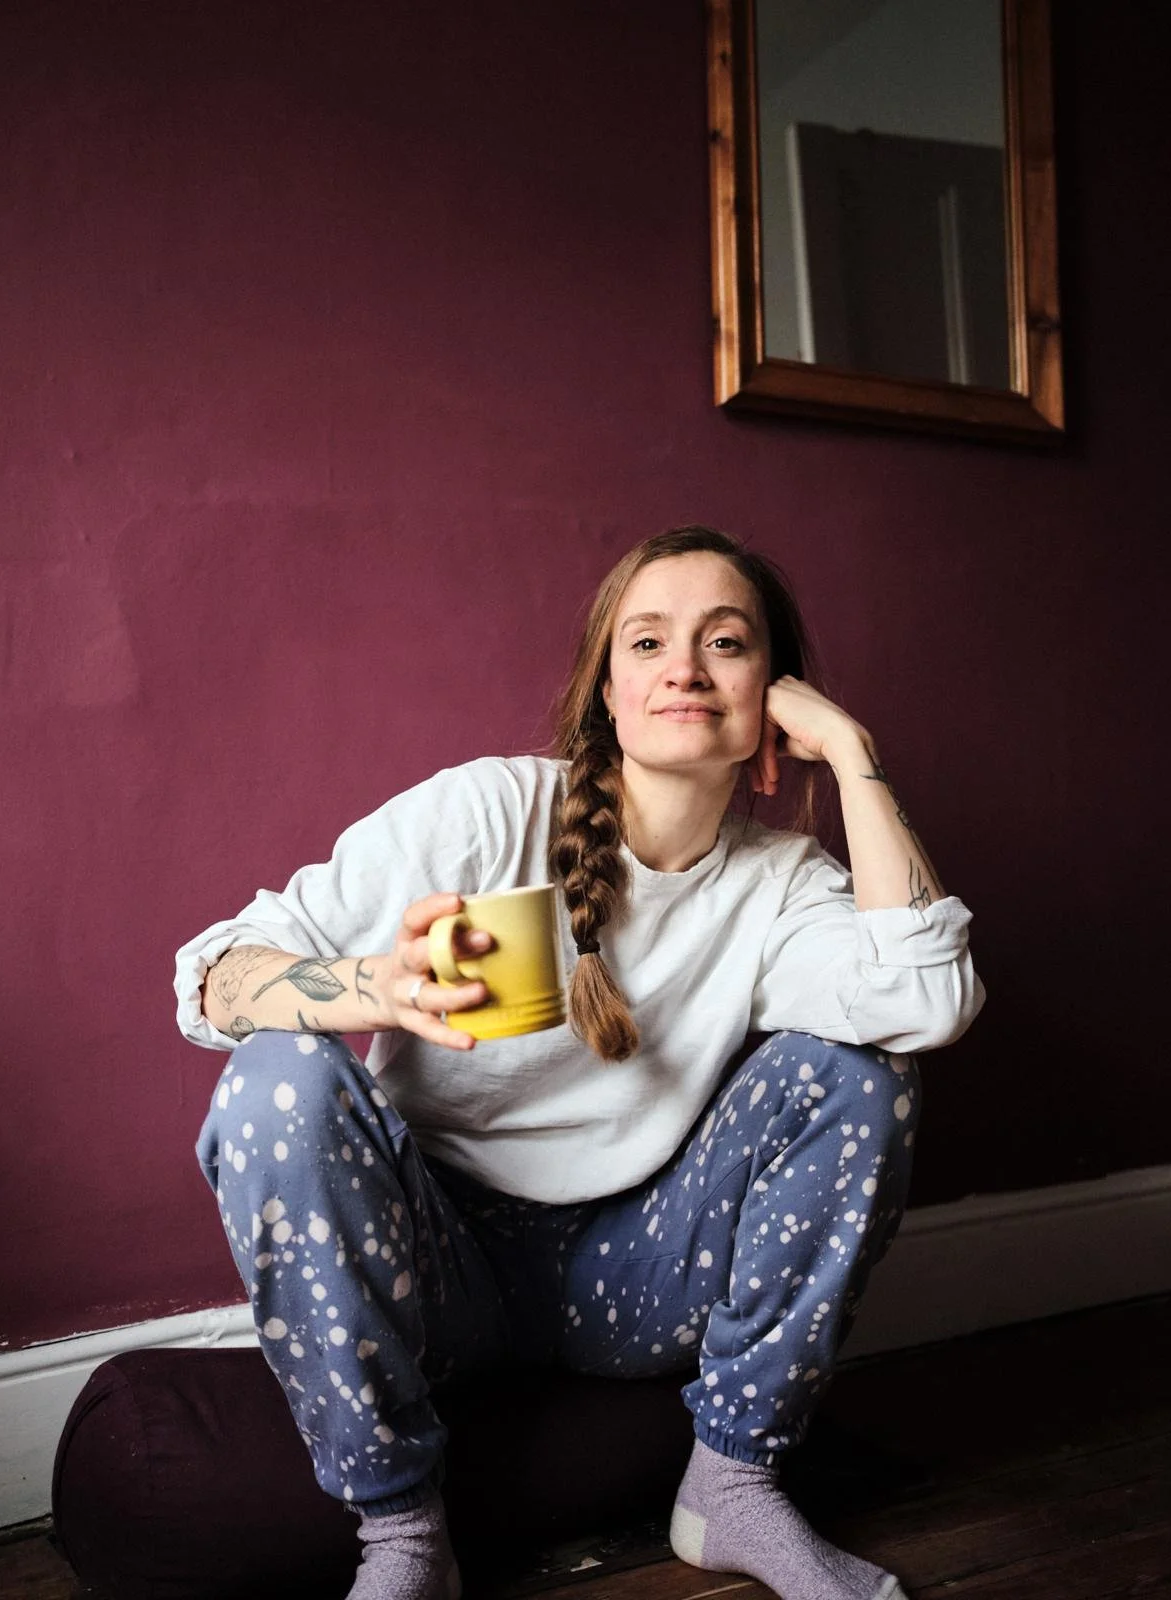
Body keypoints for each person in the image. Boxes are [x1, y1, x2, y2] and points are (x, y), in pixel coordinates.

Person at [175, 525, 984, 1600]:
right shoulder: (485, 812)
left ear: (768, 702)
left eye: (727, 643)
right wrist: (376, 988)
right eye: (647, 642)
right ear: (609, 689)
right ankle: (406, 1538)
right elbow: (209, 976)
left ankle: (733, 1486)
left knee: (862, 1071)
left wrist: (849, 751)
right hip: (438, 1268)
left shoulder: (782, 882)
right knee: (280, 1073)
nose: (685, 666)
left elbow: (927, 1001)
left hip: (635, 1276)